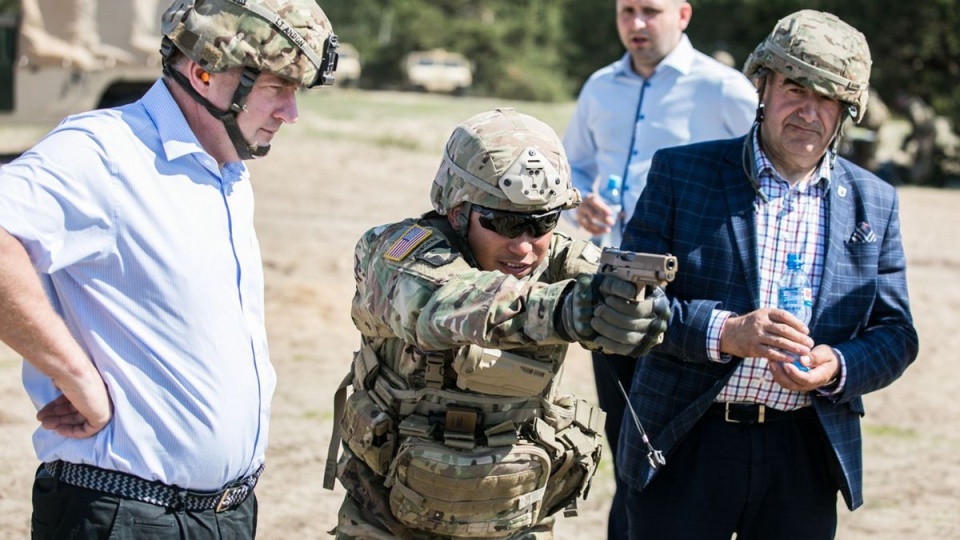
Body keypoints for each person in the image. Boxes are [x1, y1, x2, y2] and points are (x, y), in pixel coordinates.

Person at [0, 0, 339, 537]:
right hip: (123, 515)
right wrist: (75, 374)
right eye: (277, 87)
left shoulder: (224, 168)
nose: (290, 113)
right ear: (204, 73)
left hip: (223, 514)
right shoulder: (106, 152)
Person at [616, 10, 919, 539]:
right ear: (763, 85)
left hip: (803, 452)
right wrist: (726, 334)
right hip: (686, 440)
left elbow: (896, 334)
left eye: (828, 98)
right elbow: (623, 302)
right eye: (795, 88)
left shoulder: (876, 201)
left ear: (848, 110)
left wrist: (838, 365)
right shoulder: (680, 174)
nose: (809, 111)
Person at [324, 108, 671, 539]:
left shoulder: (560, 259)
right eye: (503, 222)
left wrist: (640, 310)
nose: (523, 247)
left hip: (512, 516)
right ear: (456, 209)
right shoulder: (396, 253)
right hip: (387, 518)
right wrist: (563, 310)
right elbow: (438, 300)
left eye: (542, 222)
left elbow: (610, 286)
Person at [561, 1, 757, 535]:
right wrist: (579, 199)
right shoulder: (600, 86)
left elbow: (765, 169)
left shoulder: (724, 89)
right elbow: (570, 163)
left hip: (686, 298)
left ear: (684, 15)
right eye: (627, 11)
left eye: (650, 11)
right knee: (624, 436)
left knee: (677, 444)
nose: (636, 24)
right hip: (613, 286)